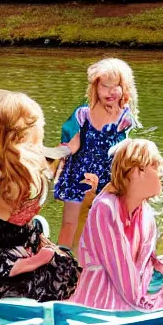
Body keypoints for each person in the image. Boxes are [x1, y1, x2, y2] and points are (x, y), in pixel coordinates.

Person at [0, 93, 81, 325]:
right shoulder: (36, 165)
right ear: (30, 129)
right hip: (21, 251)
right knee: (66, 270)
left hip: (10, 253)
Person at [69, 138, 163, 311]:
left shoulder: (146, 214)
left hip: (135, 295)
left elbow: (147, 262)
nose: (161, 173)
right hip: (101, 301)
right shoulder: (105, 208)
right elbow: (121, 269)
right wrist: (144, 306)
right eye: (155, 166)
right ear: (135, 172)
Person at [54, 58, 141, 247]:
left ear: (124, 88)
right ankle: (62, 262)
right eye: (104, 86)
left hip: (107, 179)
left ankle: (91, 264)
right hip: (79, 175)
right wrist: (56, 157)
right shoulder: (84, 113)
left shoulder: (125, 119)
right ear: (95, 88)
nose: (110, 92)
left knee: (100, 226)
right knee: (70, 223)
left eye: (115, 86)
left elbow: (123, 150)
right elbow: (73, 144)